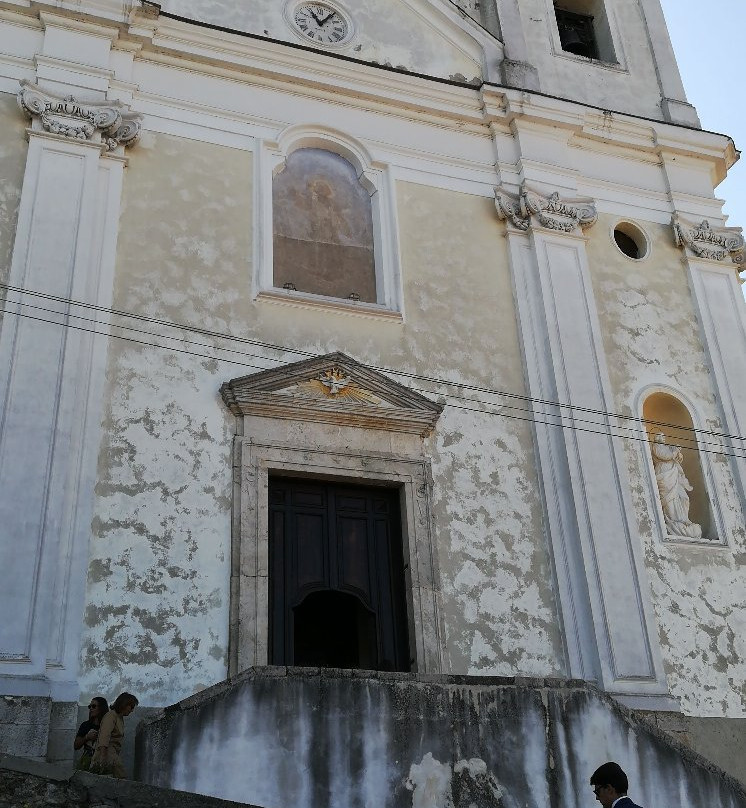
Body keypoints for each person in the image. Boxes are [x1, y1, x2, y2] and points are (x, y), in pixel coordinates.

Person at [651, 432, 702, 539]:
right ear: (656, 438)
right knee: (669, 499)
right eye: (660, 436)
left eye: (663, 436)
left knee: (683, 497)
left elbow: (677, 458)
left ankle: (683, 519)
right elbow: (666, 456)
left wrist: (677, 453)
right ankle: (672, 520)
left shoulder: (667, 447)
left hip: (674, 474)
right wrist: (676, 450)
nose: (663, 438)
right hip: (664, 474)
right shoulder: (656, 446)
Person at [89, 691, 138, 779]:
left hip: (113, 754)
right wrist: (103, 760)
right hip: (107, 753)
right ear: (124, 704)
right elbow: (104, 737)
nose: (132, 710)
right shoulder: (111, 716)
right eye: (131, 707)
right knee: (121, 779)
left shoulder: (119, 718)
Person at [73, 696, 109, 771]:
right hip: (86, 762)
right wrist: (87, 737)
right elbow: (76, 746)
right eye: (90, 706)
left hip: (102, 762)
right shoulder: (85, 725)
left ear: (101, 708)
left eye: (94, 706)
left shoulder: (107, 726)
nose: (91, 708)